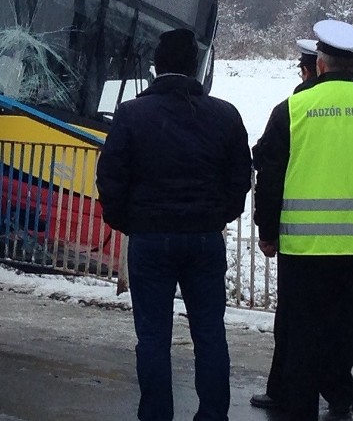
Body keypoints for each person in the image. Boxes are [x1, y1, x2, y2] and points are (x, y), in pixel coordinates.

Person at [96, 28, 252, 421]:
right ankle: (213, 414)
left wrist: (128, 221)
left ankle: (156, 414)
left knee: (152, 338)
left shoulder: (132, 114)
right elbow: (240, 178)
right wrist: (218, 215)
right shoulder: (225, 115)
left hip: (151, 238)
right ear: (196, 68)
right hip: (204, 239)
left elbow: (111, 177)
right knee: (210, 334)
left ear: (156, 68)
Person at [254, 19, 353, 421]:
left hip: (303, 252)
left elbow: (270, 175)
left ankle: (299, 410)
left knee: (299, 339)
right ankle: (342, 396)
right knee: (345, 333)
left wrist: (267, 231)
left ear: (323, 64)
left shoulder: (292, 109)